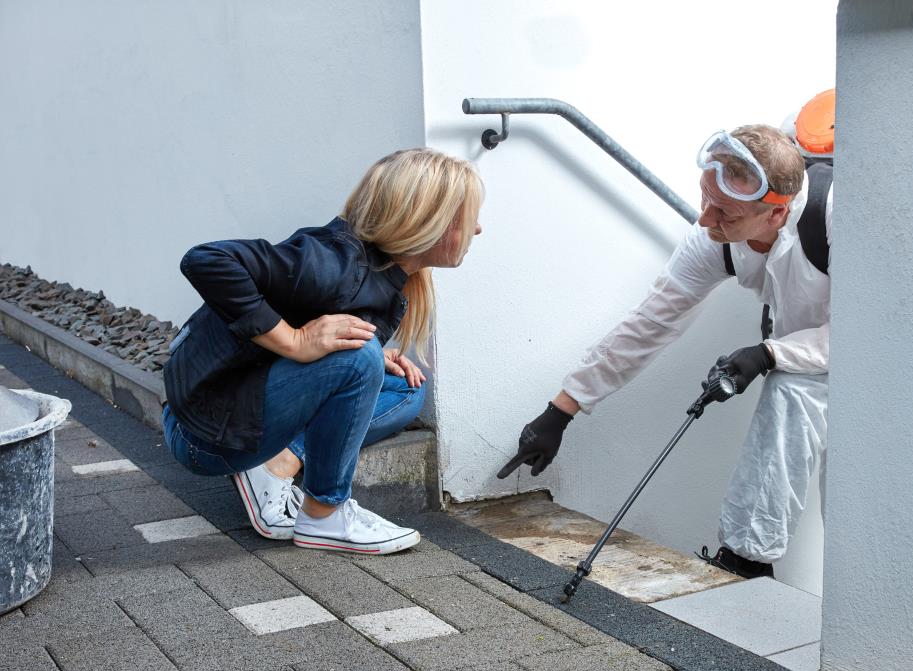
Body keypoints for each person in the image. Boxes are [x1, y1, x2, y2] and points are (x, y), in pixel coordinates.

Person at [499, 125, 830, 579]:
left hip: (884, 359)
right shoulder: (713, 237)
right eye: (705, 199)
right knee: (791, 391)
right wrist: (560, 411)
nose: (705, 220)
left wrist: (768, 354)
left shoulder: (835, 215)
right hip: (805, 351)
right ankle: (746, 564)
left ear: (776, 214)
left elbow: (871, 331)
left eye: (725, 213)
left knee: (852, 491)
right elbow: (649, 323)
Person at [162, 148, 483, 554]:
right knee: (362, 359)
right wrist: (294, 341)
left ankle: (278, 462)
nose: (477, 230)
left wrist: (362, 360)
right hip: (202, 438)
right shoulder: (331, 263)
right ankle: (324, 515)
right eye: (467, 218)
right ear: (428, 221)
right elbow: (207, 259)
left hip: (237, 405)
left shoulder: (384, 269)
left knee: (405, 387)